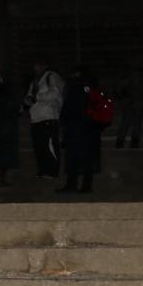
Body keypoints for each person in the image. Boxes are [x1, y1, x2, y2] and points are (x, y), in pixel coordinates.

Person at [58, 64, 102, 194]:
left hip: (80, 126)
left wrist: (65, 122)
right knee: (81, 157)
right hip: (84, 127)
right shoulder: (86, 86)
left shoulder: (79, 86)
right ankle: (81, 185)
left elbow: (71, 106)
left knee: (77, 157)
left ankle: (77, 185)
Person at [24, 61, 64, 179]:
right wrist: (28, 100)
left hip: (49, 116)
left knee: (49, 145)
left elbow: (55, 93)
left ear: (44, 65)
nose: (35, 67)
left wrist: (37, 98)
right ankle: (43, 169)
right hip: (36, 117)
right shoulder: (35, 80)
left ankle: (52, 171)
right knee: (39, 146)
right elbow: (29, 95)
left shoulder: (51, 77)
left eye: (37, 65)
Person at [114, 61, 143, 148]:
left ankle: (122, 141)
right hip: (135, 102)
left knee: (127, 122)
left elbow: (118, 90)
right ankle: (132, 141)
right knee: (134, 123)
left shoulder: (127, 77)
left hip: (132, 102)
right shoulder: (140, 77)